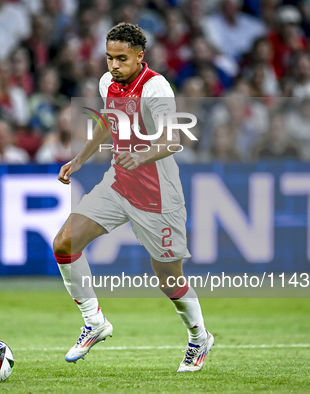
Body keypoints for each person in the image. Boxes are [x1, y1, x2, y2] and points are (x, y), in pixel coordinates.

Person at [53, 23, 213, 371]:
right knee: (64, 243)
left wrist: (139, 155)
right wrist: (79, 159)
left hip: (158, 193)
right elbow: (110, 120)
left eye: (121, 59)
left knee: (168, 277)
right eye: (109, 57)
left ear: (140, 56)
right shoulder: (107, 82)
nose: (113, 65)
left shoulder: (156, 87)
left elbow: (173, 140)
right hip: (119, 181)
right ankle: (94, 322)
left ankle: (200, 337)